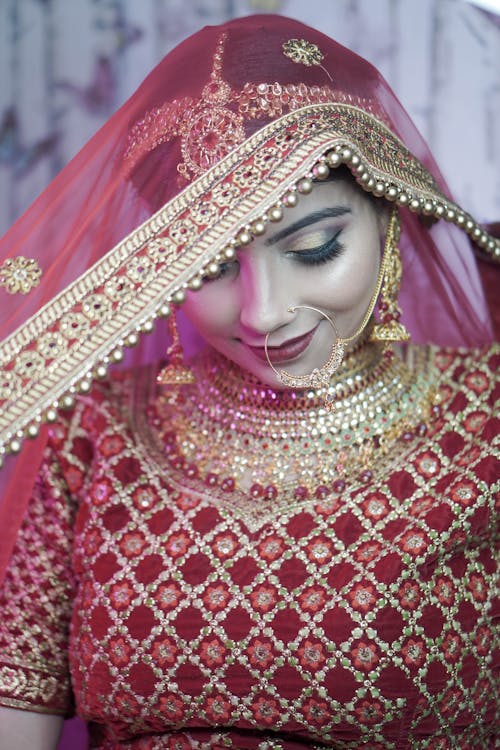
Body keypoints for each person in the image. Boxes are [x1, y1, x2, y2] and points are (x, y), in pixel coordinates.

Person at [0, 13, 498, 750]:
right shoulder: (94, 425)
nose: (265, 314)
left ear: (389, 215)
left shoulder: (486, 413)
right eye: (214, 267)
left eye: (316, 247)